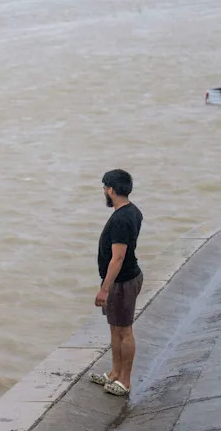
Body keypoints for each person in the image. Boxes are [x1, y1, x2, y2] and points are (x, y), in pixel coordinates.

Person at [88, 169, 143, 397]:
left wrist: (105, 288)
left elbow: (118, 257)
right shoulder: (132, 211)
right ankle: (114, 373)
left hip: (122, 282)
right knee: (115, 327)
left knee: (124, 330)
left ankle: (125, 381)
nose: (103, 192)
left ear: (111, 190)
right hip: (122, 280)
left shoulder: (121, 219)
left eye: (104, 188)